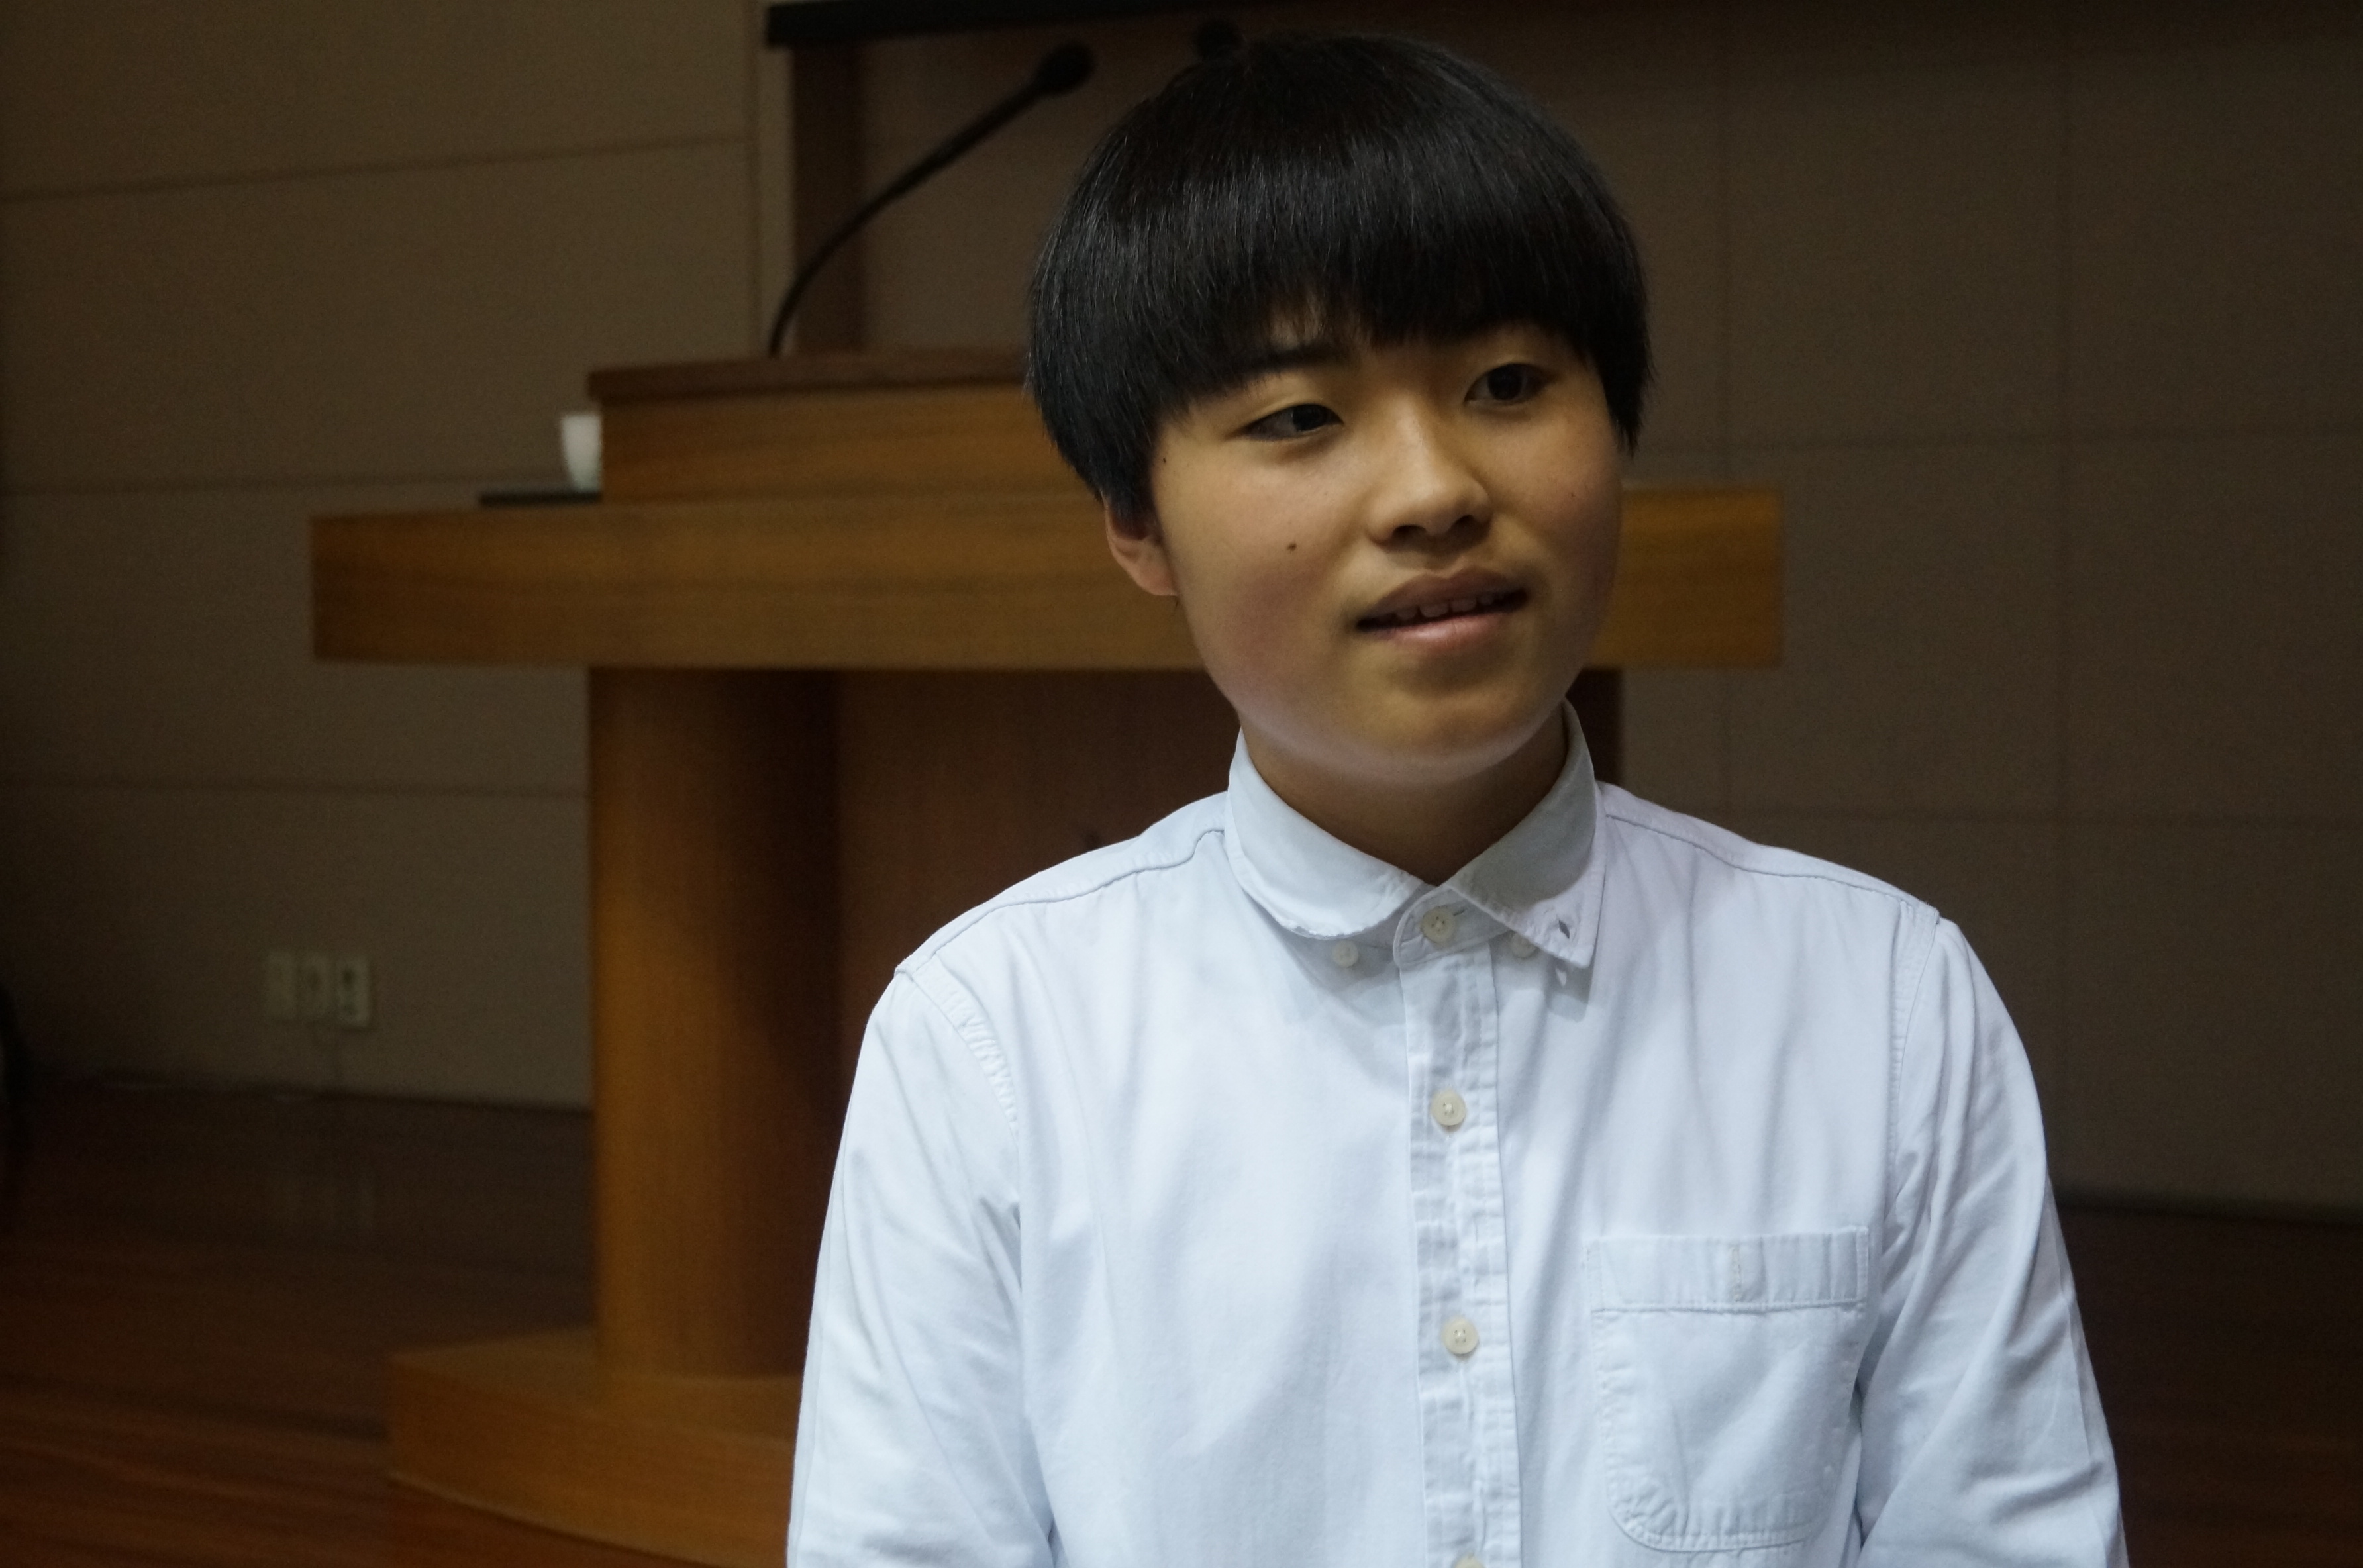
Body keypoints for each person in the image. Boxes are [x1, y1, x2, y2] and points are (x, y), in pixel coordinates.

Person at [787, 32, 2124, 1567]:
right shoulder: (990, 1039)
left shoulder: (1880, 1000)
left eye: (1504, 383)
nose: (1431, 490)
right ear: (1135, 519)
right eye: (1298, 416)